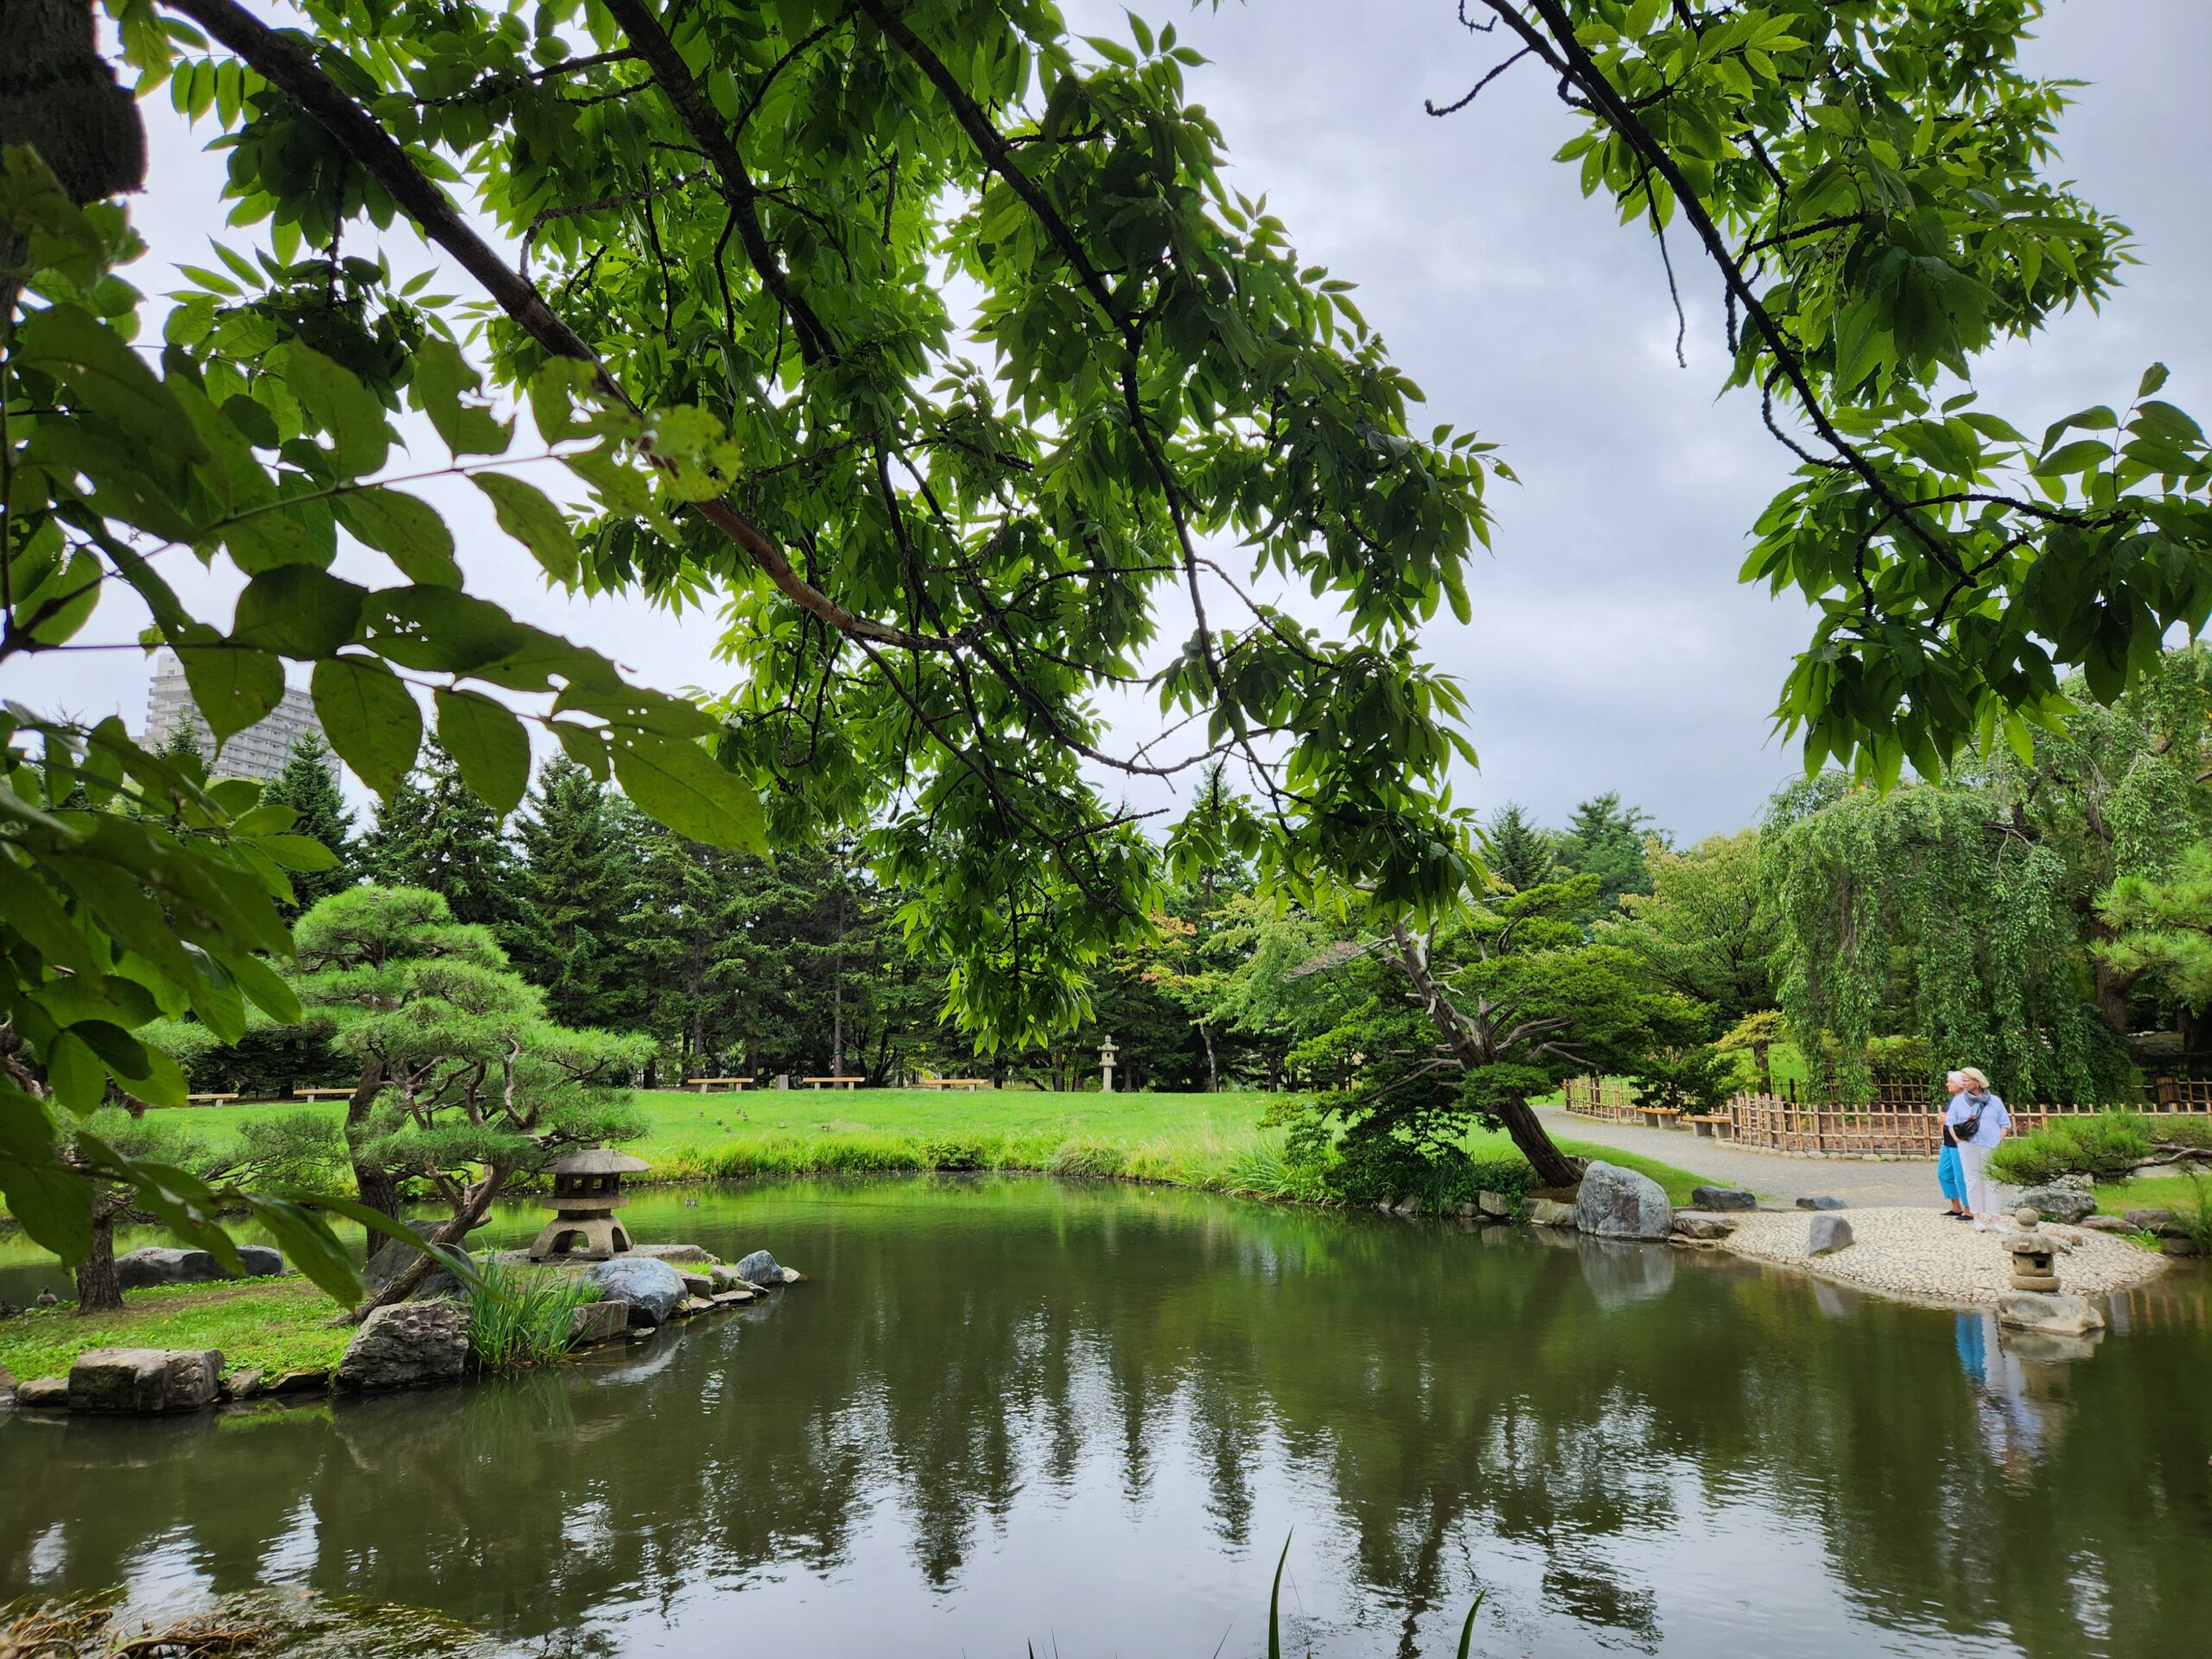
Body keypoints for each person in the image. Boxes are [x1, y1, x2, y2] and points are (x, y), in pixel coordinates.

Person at [1946, 1065, 2012, 1229]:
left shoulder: (1994, 1101)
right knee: (1972, 1181)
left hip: (1990, 1144)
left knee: (1992, 1181)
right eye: (1962, 1081)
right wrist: (1958, 1140)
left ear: (1977, 1081)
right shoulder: (1959, 1101)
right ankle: (1977, 1217)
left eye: (1966, 1080)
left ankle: (1995, 1219)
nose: (1963, 1083)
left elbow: (2005, 1123)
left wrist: (1998, 1139)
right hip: (1968, 1144)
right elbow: (1950, 1122)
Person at [1937, 1071, 1971, 1219]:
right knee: (1944, 1174)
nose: (1948, 1084)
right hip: (1948, 1142)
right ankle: (1956, 1206)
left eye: (1951, 1081)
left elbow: (1968, 1121)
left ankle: (1969, 1209)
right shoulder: (1951, 1101)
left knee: (1961, 1176)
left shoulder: (1967, 1101)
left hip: (1960, 1143)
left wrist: (1947, 1119)